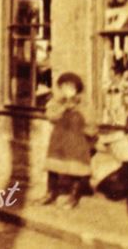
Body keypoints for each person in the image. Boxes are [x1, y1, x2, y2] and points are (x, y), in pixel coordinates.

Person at [37, 71, 94, 209]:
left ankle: (73, 197)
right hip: (59, 139)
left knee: (75, 169)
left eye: (71, 87)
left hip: (76, 140)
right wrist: (63, 107)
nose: (67, 90)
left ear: (76, 89)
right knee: (53, 166)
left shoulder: (84, 104)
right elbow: (50, 116)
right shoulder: (56, 102)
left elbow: (91, 124)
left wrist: (80, 114)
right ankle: (50, 193)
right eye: (64, 87)